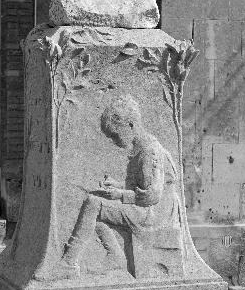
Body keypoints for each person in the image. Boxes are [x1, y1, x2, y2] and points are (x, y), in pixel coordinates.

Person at [54, 94, 181, 279]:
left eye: (115, 135)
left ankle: (68, 262)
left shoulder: (149, 151)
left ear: (130, 125)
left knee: (93, 204)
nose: (115, 141)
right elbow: (142, 185)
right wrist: (118, 187)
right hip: (148, 208)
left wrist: (121, 194)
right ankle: (115, 256)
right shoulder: (141, 148)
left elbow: (152, 196)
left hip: (154, 213)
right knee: (95, 211)